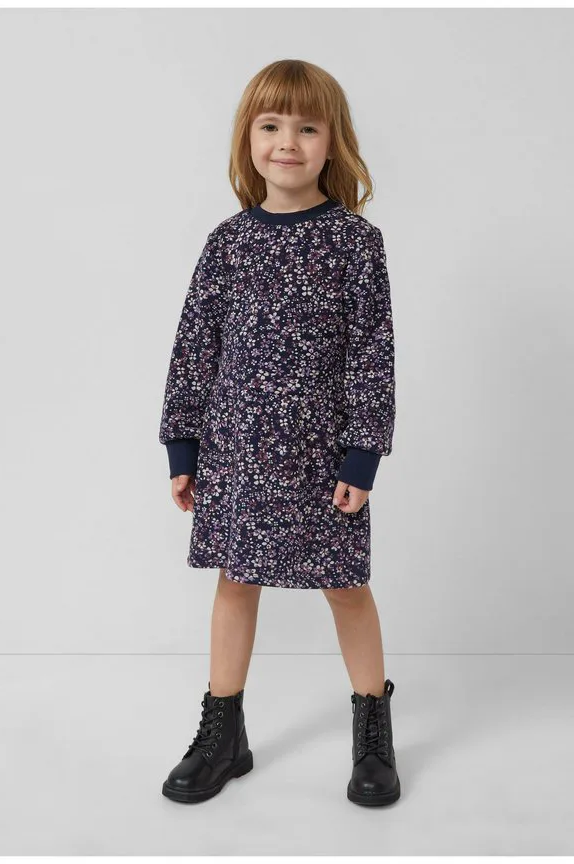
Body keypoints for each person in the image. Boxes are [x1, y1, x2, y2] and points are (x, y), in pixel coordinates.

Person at [158, 58, 400, 808]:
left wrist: (363, 456)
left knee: (347, 589)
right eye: (270, 125)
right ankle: (223, 734)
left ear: (333, 143)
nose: (287, 142)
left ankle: (373, 731)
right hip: (235, 452)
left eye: (307, 127)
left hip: (322, 459)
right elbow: (194, 349)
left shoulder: (355, 243)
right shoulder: (227, 243)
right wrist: (183, 447)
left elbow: (373, 354)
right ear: (248, 139)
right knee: (236, 584)